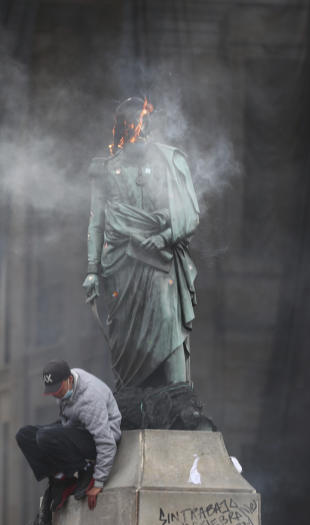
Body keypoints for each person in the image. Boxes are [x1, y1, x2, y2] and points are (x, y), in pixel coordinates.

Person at [83, 97, 200, 390]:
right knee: (125, 337)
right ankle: (134, 398)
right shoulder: (105, 169)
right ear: (123, 126)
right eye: (135, 121)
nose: (140, 127)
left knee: (168, 318)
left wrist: (163, 235)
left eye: (145, 120)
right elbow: (96, 221)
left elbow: (188, 212)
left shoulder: (169, 161)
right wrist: (92, 270)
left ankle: (178, 397)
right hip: (122, 262)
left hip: (160, 258)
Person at [16, 360, 121, 512]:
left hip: (96, 438)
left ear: (69, 379)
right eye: (52, 390)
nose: (56, 394)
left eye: (58, 389)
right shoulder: (68, 382)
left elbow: (106, 442)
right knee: (25, 435)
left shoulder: (89, 399)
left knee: (45, 437)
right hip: (76, 427)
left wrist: (99, 482)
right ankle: (61, 478)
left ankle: (85, 469)